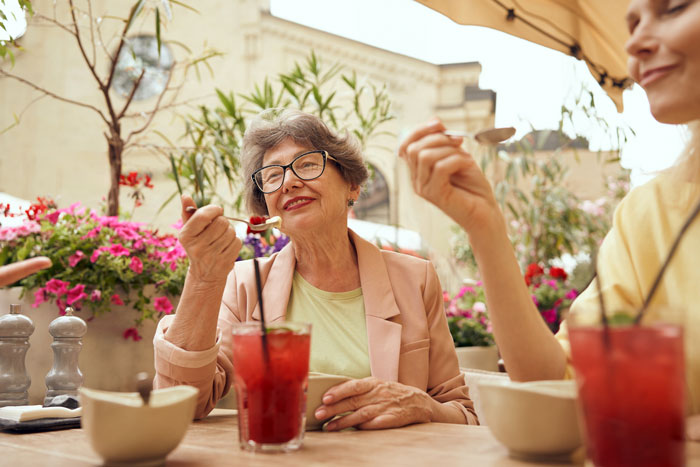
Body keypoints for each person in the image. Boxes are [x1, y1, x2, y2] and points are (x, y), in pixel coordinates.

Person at [399, 0, 700, 437]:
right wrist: (485, 228)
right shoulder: (650, 214)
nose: (634, 41)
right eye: (631, 22)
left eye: (672, 8)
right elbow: (555, 383)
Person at [153, 109, 478, 428]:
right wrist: (204, 277)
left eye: (307, 164)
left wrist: (419, 404)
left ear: (352, 185)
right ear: (264, 208)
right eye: (273, 176)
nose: (289, 182)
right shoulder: (245, 285)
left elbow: (462, 414)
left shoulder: (415, 280)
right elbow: (180, 401)